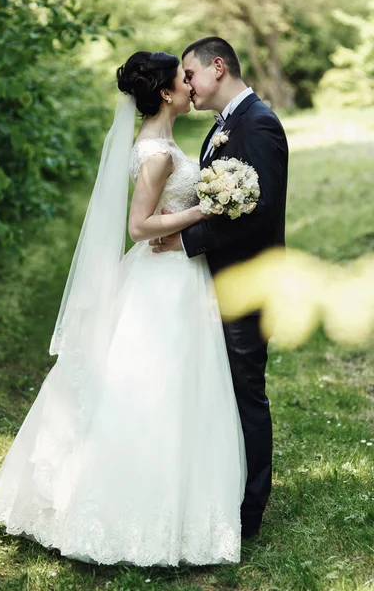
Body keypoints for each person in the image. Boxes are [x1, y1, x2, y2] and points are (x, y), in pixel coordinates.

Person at [0, 50, 247, 567]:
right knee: (155, 386)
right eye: (184, 79)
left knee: (181, 387)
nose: (192, 87)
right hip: (163, 279)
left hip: (174, 273)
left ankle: (180, 505)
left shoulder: (161, 141)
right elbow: (139, 226)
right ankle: (129, 513)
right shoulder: (157, 153)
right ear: (167, 93)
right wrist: (205, 207)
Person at [150, 37, 289, 539]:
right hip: (221, 278)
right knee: (222, 388)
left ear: (216, 67)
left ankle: (250, 511)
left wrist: (185, 238)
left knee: (246, 389)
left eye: (189, 74)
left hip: (247, 279)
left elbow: (260, 213)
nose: (185, 84)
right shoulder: (224, 126)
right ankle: (222, 488)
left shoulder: (259, 123)